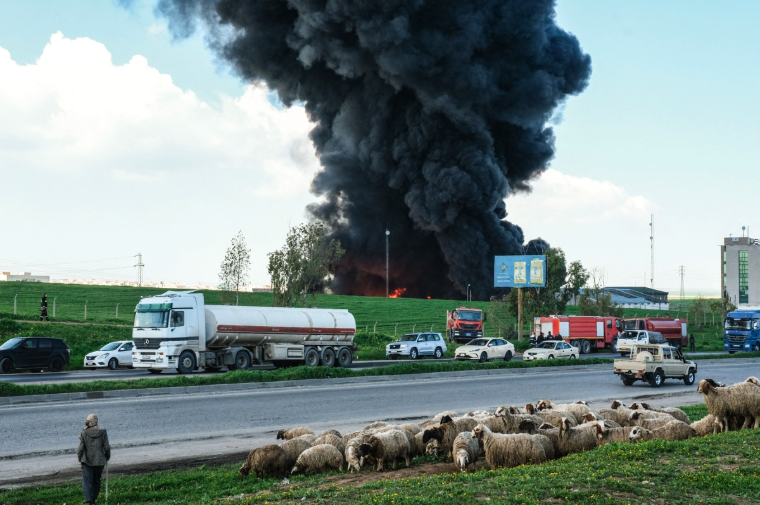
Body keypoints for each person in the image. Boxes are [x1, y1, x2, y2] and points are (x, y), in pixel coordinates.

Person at [78, 414, 110, 505]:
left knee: (87, 482)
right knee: (96, 480)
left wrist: (80, 458)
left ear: (88, 422)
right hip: (100, 460)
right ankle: (93, 498)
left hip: (87, 461)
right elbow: (106, 447)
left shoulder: (84, 432)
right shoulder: (103, 431)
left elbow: (80, 448)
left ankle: (90, 501)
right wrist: (107, 457)